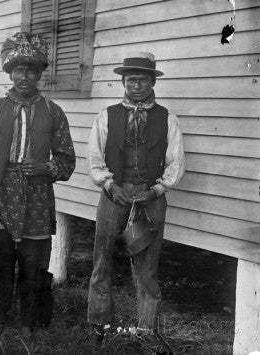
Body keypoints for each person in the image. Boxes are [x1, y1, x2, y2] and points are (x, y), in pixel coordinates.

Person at [0, 32, 75, 334]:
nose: (25, 77)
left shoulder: (54, 112)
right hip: (1, 196)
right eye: (19, 70)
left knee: (34, 267)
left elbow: (67, 162)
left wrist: (46, 167)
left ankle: (34, 325)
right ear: (10, 72)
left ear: (40, 74)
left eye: (32, 70)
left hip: (38, 199)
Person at [86, 52, 185, 347]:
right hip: (113, 194)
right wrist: (108, 184)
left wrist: (156, 190)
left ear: (153, 81)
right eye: (131, 80)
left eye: (142, 80)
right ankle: (99, 326)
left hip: (150, 196)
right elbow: (94, 158)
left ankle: (146, 332)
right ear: (123, 82)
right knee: (102, 260)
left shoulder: (167, 118)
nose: (137, 86)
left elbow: (175, 162)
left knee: (147, 267)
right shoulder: (106, 115)